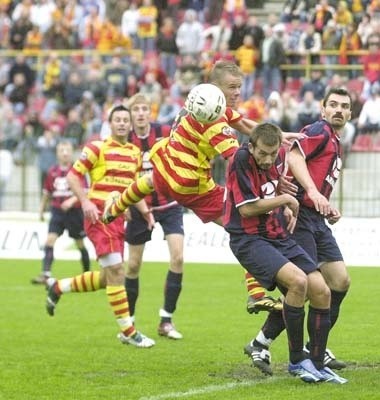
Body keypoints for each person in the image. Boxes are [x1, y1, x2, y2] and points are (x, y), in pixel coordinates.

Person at [222, 122, 347, 384]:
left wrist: (283, 198)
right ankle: (295, 361)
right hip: (249, 238)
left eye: (272, 153)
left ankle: (316, 363)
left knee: (322, 290)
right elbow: (246, 209)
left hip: (276, 233)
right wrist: (287, 201)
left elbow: (273, 183)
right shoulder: (240, 159)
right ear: (251, 146)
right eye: (262, 154)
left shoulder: (278, 156)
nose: (268, 159)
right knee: (298, 282)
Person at [246, 87, 352, 375]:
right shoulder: (320, 129)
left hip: (316, 219)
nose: (339, 109)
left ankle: (317, 344)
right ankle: (263, 342)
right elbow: (294, 156)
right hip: (299, 217)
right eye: (333, 105)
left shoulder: (336, 140)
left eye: (344, 105)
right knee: (305, 286)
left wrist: (325, 204)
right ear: (323, 109)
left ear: (351, 113)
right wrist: (312, 192)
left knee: (339, 281)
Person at [45, 104, 155, 348]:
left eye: (126, 120)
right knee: (117, 270)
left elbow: (133, 188)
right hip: (98, 216)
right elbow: (74, 175)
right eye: (118, 119)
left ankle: (58, 287)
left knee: (108, 277)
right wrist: (85, 201)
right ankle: (128, 331)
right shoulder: (97, 147)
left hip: (118, 219)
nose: (123, 123)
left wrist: (146, 213)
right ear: (110, 122)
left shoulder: (135, 153)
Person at [124, 93, 185, 339]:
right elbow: (126, 179)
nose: (140, 113)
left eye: (144, 108)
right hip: (139, 208)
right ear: (130, 114)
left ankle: (166, 320)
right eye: (136, 109)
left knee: (178, 258)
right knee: (134, 264)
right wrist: (141, 209)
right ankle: (128, 323)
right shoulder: (124, 141)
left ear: (150, 111)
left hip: (169, 204)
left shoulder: (163, 131)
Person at [31, 140, 90, 284]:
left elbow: (85, 191)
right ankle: (45, 274)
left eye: (67, 150)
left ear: (71, 152)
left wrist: (71, 201)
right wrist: (41, 209)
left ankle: (87, 274)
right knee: (50, 240)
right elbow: (47, 193)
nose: (64, 153)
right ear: (57, 153)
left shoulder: (78, 170)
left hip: (74, 213)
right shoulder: (52, 171)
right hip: (57, 211)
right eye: (61, 150)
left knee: (80, 243)